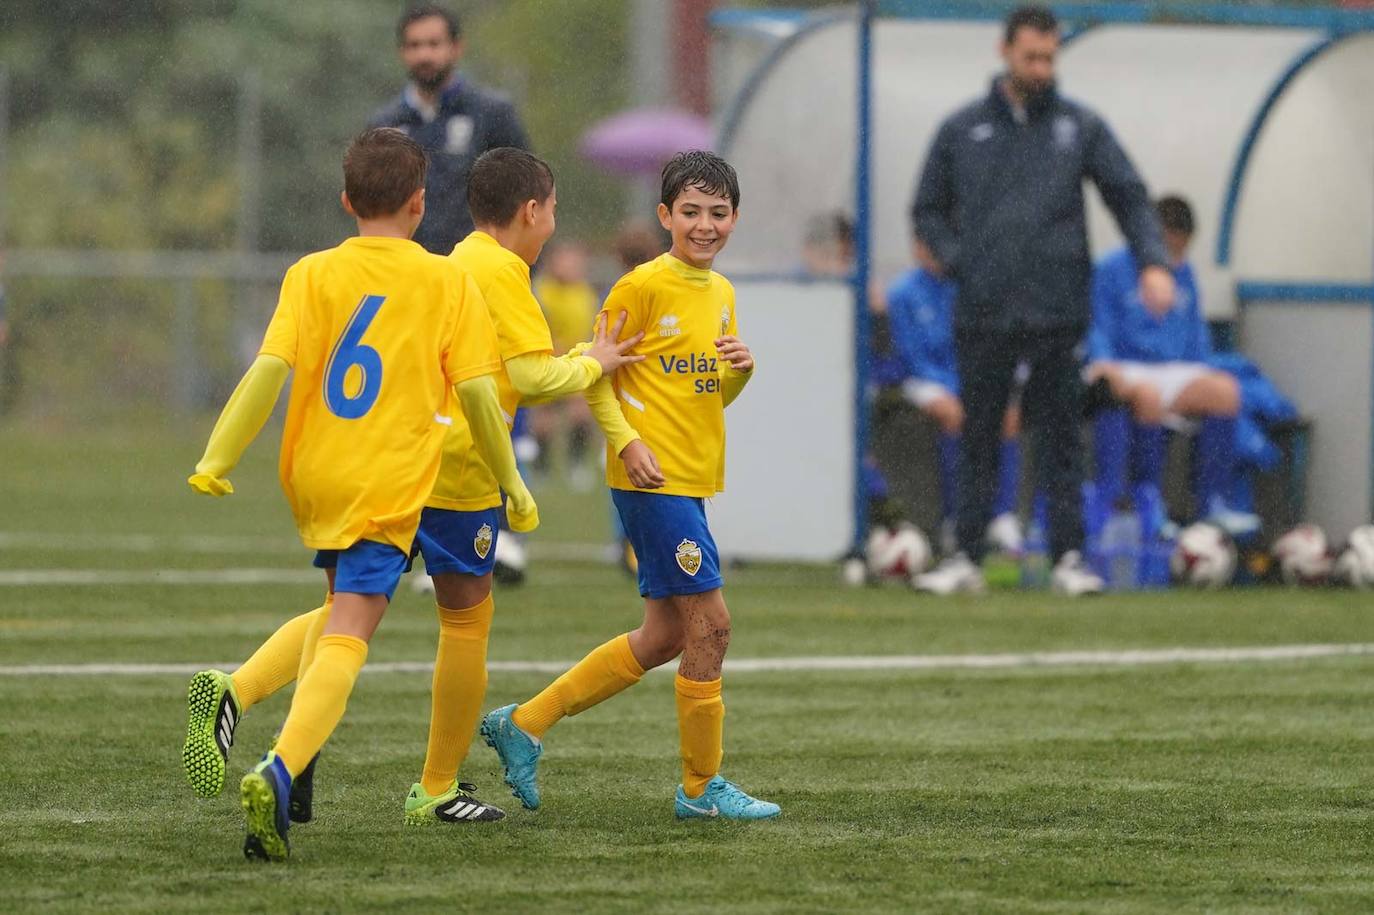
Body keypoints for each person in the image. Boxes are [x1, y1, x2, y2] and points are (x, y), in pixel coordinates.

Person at [180, 148, 644, 827]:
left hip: (388, 460)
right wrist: (589, 363)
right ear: (531, 211)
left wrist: (216, 456)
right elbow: (527, 377)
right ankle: (434, 786)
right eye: (553, 214)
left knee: (348, 610)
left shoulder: (451, 260)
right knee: (465, 618)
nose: (552, 228)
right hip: (457, 468)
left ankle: (245, 694)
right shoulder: (499, 274)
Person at [479, 151, 781, 821]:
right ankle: (701, 788)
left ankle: (523, 722)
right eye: (692, 212)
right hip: (653, 479)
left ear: (735, 218)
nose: (705, 225)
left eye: (719, 213)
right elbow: (598, 375)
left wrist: (743, 371)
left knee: (665, 636)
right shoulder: (639, 287)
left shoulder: (722, 293)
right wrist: (628, 441)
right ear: (665, 215)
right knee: (714, 625)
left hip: (690, 478)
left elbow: (709, 392)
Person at [911, 4, 1174, 596]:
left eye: (1050, 57)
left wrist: (1153, 261)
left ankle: (1070, 558)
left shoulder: (1079, 127)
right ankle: (967, 557)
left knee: (1061, 436)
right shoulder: (962, 130)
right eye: (1032, 56)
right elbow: (927, 208)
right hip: (984, 308)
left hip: (1059, 308)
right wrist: (961, 262)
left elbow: (1128, 195)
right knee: (980, 431)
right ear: (1005, 52)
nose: (1041, 68)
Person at [1088, 195, 1260, 536]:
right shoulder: (1111, 269)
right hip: (1125, 367)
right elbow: (1096, 327)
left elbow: (1196, 337)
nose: (1175, 257)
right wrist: (1102, 363)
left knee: (1225, 392)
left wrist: (1203, 370)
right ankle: (1149, 503)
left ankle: (1213, 504)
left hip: (1173, 371)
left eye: (1182, 249)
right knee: (1148, 397)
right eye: (1169, 247)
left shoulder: (1184, 274)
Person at [886, 237, 1024, 555]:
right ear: (918, 249)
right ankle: (955, 518)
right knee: (954, 415)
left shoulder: (966, 287)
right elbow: (911, 357)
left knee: (1007, 414)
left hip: (965, 378)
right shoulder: (903, 293)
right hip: (919, 381)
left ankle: (1002, 516)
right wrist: (952, 389)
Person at [370, 4, 529, 255]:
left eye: (434, 44)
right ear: (402, 52)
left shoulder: (492, 114)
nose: (424, 55)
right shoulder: (385, 125)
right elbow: (373, 207)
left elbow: (524, 195)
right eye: (414, 45)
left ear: (456, 47)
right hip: (411, 275)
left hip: (474, 272)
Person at [531, 241, 601, 489]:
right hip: (548, 360)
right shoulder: (542, 290)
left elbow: (589, 329)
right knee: (543, 419)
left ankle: (577, 464)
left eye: (575, 262)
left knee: (580, 412)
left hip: (576, 362)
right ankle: (541, 466)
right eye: (566, 261)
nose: (571, 267)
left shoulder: (585, 294)